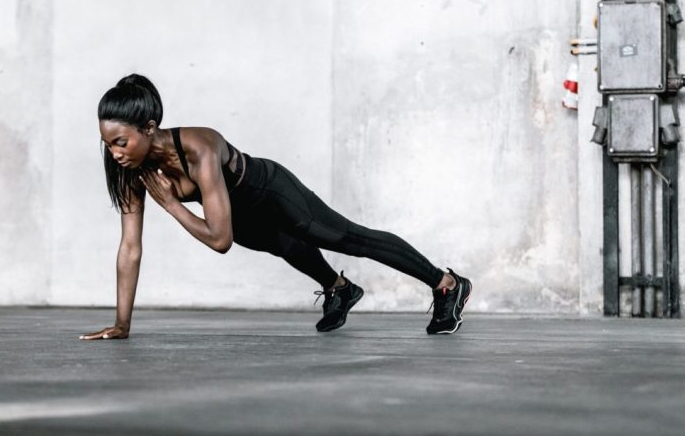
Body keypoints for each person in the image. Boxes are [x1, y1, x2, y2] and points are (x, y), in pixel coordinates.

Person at [80, 74, 471, 341]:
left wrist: (170, 205)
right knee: (286, 247)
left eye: (120, 142)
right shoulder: (131, 169)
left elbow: (220, 240)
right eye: (107, 142)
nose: (114, 153)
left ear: (149, 128)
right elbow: (130, 248)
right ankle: (340, 289)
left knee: (344, 237)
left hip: (269, 191)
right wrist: (121, 323)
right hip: (237, 212)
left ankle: (447, 284)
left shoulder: (199, 147)